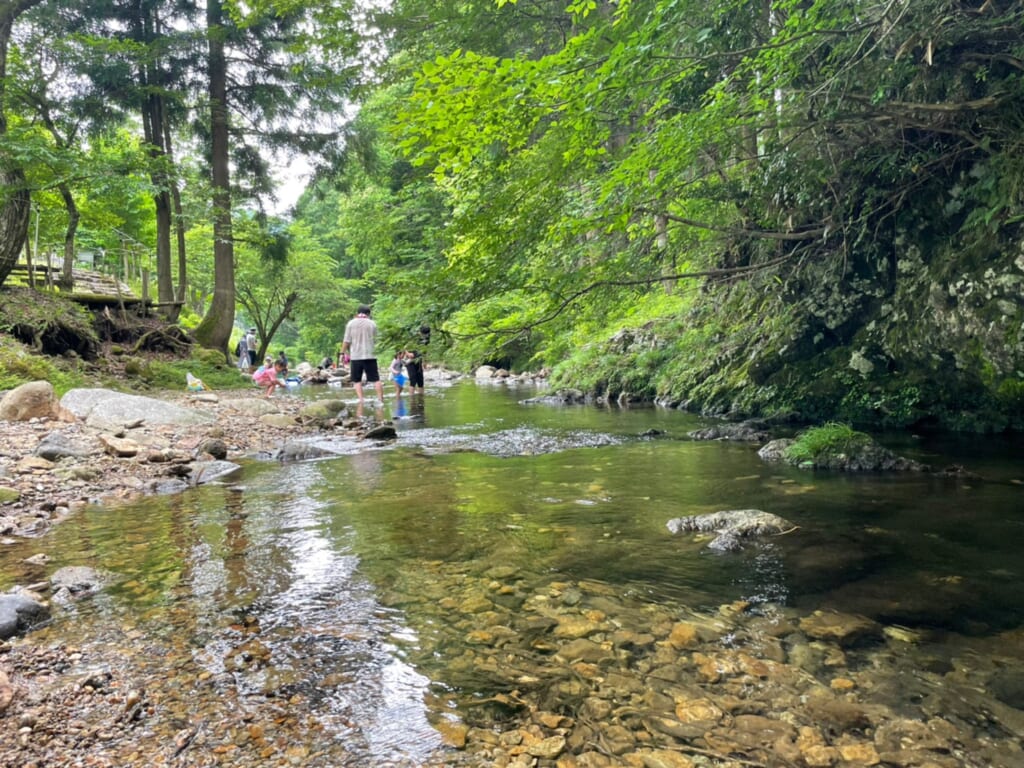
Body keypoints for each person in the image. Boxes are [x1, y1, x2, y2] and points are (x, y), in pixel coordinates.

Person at [341, 304, 384, 406]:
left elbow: (346, 341)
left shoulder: (351, 324)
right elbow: (377, 339)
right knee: (376, 379)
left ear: (357, 313)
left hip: (356, 356)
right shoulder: (372, 324)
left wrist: (342, 353)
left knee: (357, 380)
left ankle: (361, 400)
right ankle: (380, 399)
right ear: (368, 313)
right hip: (370, 355)